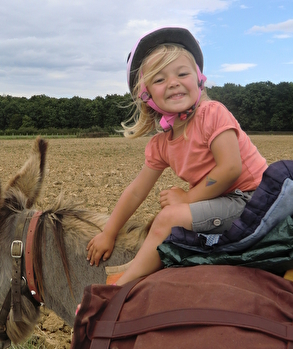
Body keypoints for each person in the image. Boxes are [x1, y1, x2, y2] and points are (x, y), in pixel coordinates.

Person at [86, 27, 268, 286]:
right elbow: (136, 191)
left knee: (169, 218)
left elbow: (230, 168)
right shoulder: (161, 144)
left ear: (198, 79)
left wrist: (187, 197)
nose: (173, 82)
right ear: (146, 94)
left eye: (182, 73)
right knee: (163, 222)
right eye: (159, 80)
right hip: (224, 199)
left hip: (253, 199)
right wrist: (109, 232)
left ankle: (125, 283)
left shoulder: (212, 113)